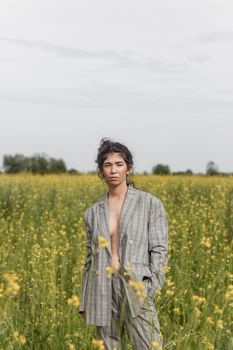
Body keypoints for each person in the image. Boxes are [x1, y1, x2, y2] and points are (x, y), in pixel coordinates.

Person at [79, 138, 168, 350]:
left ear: (129, 168)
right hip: (102, 288)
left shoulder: (150, 204)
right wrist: (84, 300)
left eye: (119, 164)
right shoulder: (92, 213)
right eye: (107, 165)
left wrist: (149, 288)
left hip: (137, 286)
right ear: (101, 171)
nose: (113, 170)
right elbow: (90, 259)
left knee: (149, 346)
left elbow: (159, 250)